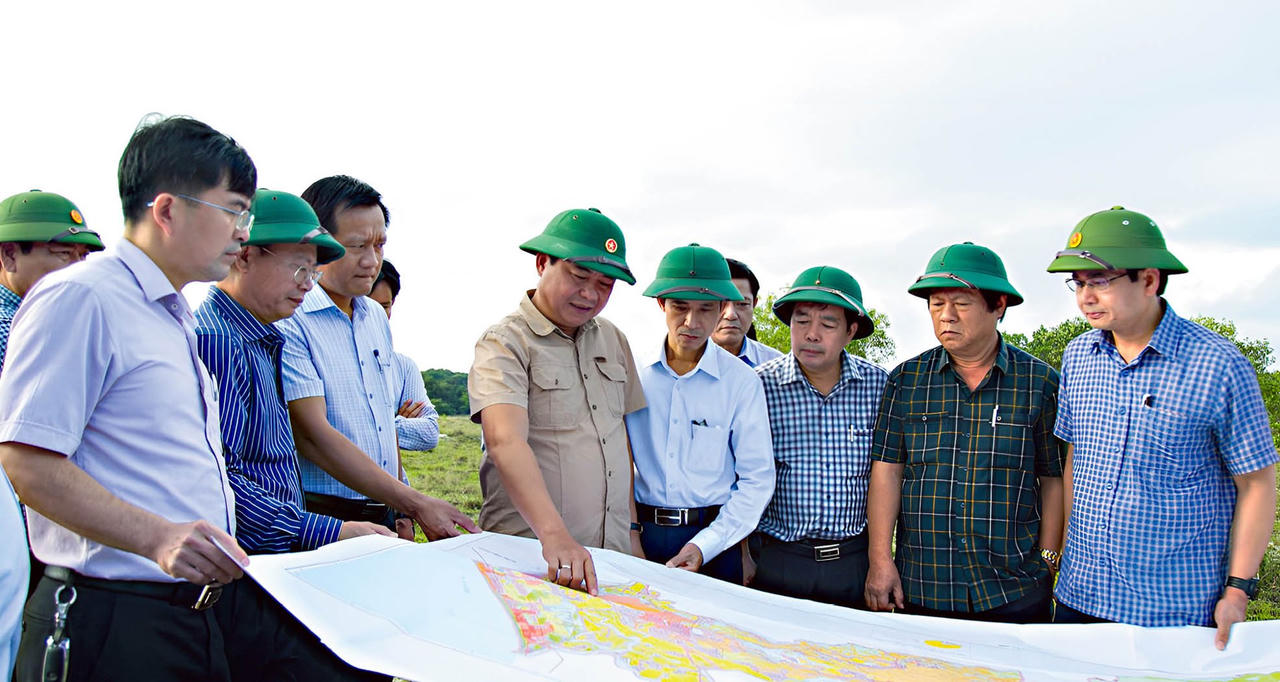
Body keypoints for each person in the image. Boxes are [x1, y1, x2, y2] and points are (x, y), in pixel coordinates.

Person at [0, 115, 253, 681]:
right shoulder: (82, 297)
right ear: (167, 210)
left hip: (188, 618)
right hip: (108, 619)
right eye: (235, 209)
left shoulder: (172, 315)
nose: (244, 231)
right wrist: (157, 537)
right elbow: (25, 460)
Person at [1045, 206, 1278, 649]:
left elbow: (1257, 484)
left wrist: (1238, 590)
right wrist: (1059, 554)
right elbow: (1077, 455)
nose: (1084, 297)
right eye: (1077, 283)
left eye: (1100, 281)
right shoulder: (1078, 356)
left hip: (1172, 612)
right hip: (1080, 595)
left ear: (1149, 280)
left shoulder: (1219, 366)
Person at [865, 242, 1064, 623]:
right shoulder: (906, 380)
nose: (947, 316)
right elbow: (887, 471)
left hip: (1013, 589)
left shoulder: (1039, 383)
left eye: (962, 304)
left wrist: (1048, 562)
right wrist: (880, 561)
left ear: (999, 305)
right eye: (936, 304)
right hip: (922, 585)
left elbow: (1052, 478)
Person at [279, 175, 477, 543]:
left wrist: (401, 509)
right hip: (325, 516)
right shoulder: (292, 318)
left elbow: (383, 424)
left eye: (380, 245)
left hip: (385, 509)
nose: (372, 261)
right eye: (356, 246)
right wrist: (416, 503)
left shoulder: (374, 317)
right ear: (317, 244)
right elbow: (312, 436)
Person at [469, 208, 645, 594]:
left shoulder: (614, 340)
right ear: (542, 263)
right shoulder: (505, 342)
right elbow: (504, 441)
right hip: (533, 559)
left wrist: (631, 534)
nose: (590, 294)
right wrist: (555, 536)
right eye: (579, 277)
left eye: (605, 284)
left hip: (610, 559)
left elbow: (620, 442)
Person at [626, 244, 775, 583]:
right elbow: (616, 462)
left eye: (706, 309)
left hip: (716, 543)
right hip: (640, 537)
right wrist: (632, 533)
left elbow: (757, 478)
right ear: (661, 304)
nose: (691, 322)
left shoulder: (741, 381)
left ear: (722, 308)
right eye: (680, 307)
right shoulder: (632, 373)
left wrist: (706, 545)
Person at [749, 266, 887, 608]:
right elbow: (737, 476)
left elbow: (889, 476)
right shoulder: (757, 386)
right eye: (801, 320)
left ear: (850, 331)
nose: (812, 334)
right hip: (778, 560)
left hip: (853, 563)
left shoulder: (879, 387)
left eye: (827, 324)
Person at [0, 189, 104, 370]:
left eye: (83, 256)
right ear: (9, 256)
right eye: (64, 253)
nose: (79, 267)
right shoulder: (13, 332)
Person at [369, 258, 441, 452]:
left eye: (384, 306)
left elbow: (430, 433)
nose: (377, 315)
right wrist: (395, 421)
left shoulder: (403, 366)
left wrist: (390, 424)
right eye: (368, 305)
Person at [712, 257, 783, 367]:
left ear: (754, 304)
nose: (730, 315)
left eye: (742, 304)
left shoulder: (777, 366)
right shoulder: (679, 364)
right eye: (721, 304)